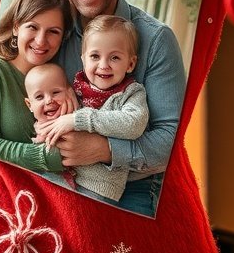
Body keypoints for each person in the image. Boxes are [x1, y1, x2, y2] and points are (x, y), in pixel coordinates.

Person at [54, 0, 187, 217]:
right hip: (59, 172)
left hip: (132, 186)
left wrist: (103, 149)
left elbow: (170, 140)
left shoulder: (156, 39)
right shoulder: (52, 29)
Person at [33, 15, 149, 202]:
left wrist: (78, 119)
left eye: (115, 58)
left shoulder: (131, 93)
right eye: (95, 56)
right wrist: (45, 127)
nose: (103, 65)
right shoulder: (76, 86)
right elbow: (58, 118)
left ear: (130, 64)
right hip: (60, 174)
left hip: (98, 187)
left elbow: (134, 124)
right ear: (83, 59)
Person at [0, 0, 74, 175]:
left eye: (53, 31)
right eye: (32, 27)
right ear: (16, 26)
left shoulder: (62, 75)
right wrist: (50, 156)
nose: (41, 41)